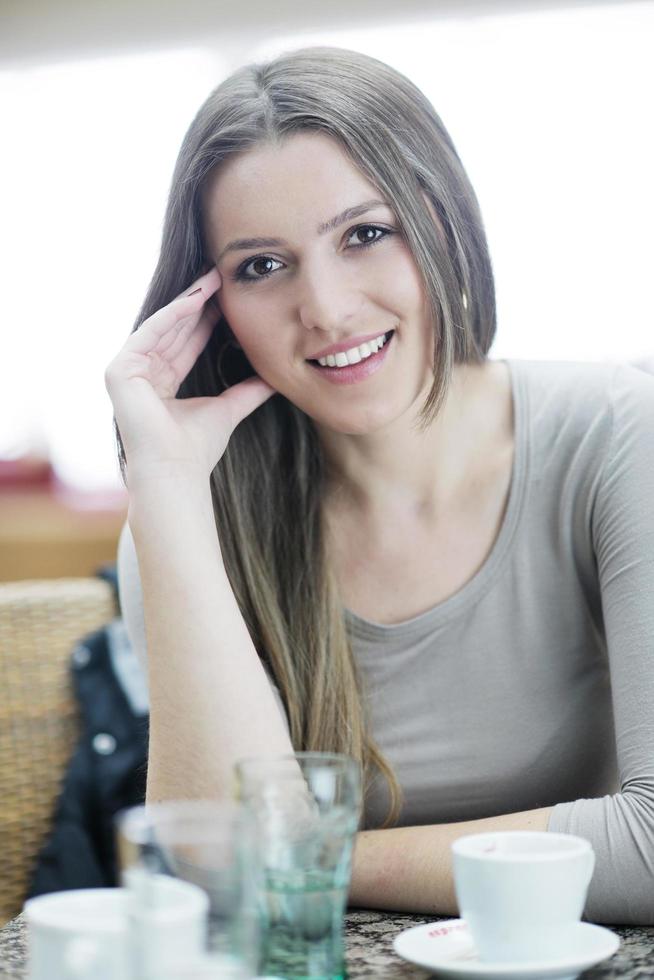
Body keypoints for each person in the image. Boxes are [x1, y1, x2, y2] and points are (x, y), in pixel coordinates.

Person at [105, 46, 654, 925]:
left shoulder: (620, 433)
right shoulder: (188, 519)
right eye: (261, 266)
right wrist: (163, 487)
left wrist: (303, 858)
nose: (325, 308)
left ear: (441, 222)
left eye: (364, 234)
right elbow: (216, 875)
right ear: (215, 312)